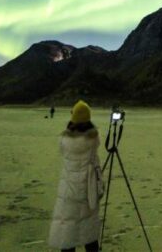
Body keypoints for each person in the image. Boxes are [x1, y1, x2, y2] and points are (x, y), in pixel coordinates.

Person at [48, 100, 103, 252]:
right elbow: (96, 138)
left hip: (68, 190)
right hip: (87, 189)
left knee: (68, 231)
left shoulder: (64, 140)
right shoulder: (92, 140)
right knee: (89, 231)